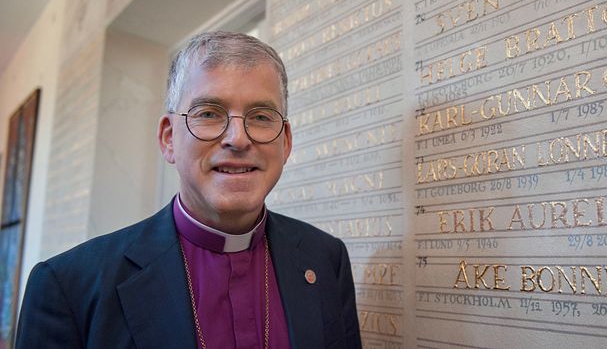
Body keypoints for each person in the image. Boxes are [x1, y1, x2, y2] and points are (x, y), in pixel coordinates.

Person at [15, 31, 362, 349]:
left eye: (260, 116)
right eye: (209, 113)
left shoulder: (325, 258)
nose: (238, 139)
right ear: (169, 139)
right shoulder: (67, 287)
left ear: (285, 142)